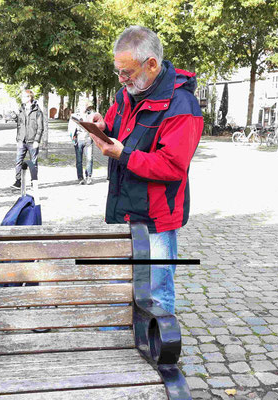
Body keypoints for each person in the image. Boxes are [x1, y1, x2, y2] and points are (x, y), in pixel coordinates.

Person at [90, 26, 203, 315]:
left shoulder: (182, 105)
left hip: (156, 219)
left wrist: (122, 154)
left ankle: (160, 354)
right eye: (118, 71)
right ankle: (120, 344)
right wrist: (102, 128)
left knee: (156, 293)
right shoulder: (126, 94)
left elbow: (172, 166)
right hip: (122, 209)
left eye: (126, 72)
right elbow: (119, 131)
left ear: (151, 64)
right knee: (121, 285)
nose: (121, 79)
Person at [12, 89, 45, 189]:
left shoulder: (37, 111)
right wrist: (18, 139)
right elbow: (19, 125)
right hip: (22, 140)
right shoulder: (21, 110)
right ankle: (18, 181)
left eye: (23, 96)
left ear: (29, 97)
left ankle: (33, 182)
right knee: (18, 161)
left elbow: (40, 127)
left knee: (33, 162)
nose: (22, 98)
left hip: (32, 141)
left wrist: (37, 141)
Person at [68, 99, 94, 185]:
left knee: (89, 159)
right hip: (79, 139)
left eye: (84, 105)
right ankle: (80, 178)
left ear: (87, 106)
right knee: (79, 160)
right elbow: (70, 129)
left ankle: (89, 176)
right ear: (78, 106)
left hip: (88, 139)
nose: (83, 107)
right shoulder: (74, 116)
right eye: (81, 105)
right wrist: (73, 138)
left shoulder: (91, 115)